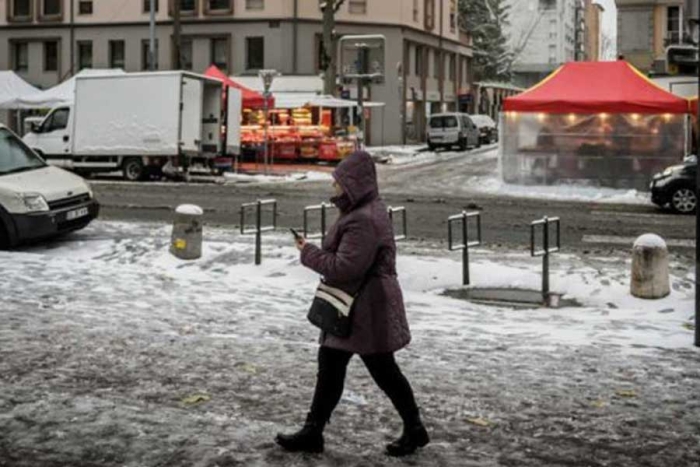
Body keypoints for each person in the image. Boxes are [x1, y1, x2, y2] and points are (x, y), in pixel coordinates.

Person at [275, 151, 429, 457]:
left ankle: (414, 428)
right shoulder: (360, 211)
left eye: (338, 183)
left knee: (383, 370)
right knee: (332, 365)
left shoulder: (363, 219)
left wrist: (308, 252)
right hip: (356, 306)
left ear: (353, 185)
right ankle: (313, 431)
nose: (334, 188)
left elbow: (345, 267)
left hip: (365, 308)